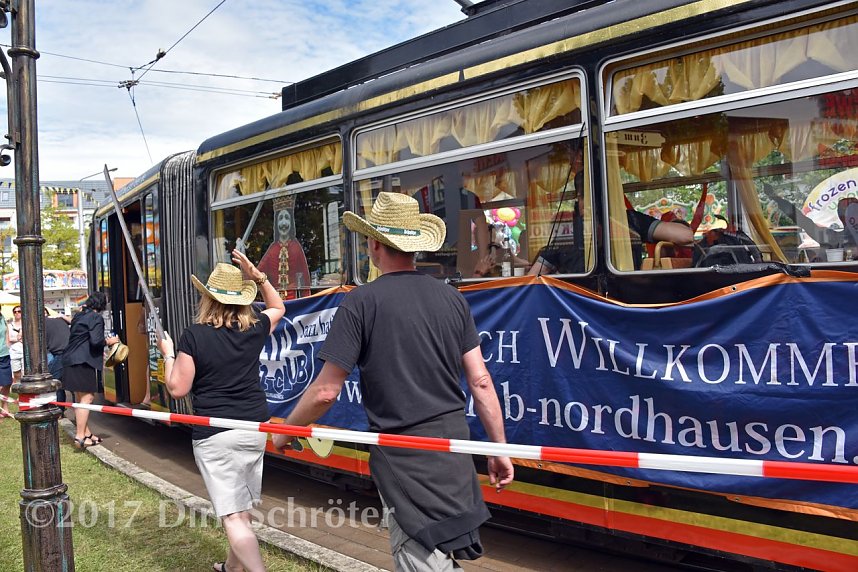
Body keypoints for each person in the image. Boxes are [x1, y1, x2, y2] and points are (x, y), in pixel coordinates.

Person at [271, 192, 514, 571]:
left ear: (373, 243)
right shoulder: (452, 299)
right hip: (453, 448)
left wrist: (287, 430)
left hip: (403, 454)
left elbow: (325, 391)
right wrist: (499, 449)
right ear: (415, 245)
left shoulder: (360, 302)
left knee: (419, 560)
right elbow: (481, 382)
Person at [157, 249, 284, 572]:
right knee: (240, 509)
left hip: (216, 434)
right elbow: (277, 307)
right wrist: (259, 276)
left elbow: (177, 388)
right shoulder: (254, 329)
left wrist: (168, 354)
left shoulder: (194, 336)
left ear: (207, 298)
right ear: (241, 299)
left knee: (232, 515)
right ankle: (231, 568)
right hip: (255, 428)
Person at [62, 292, 119, 449]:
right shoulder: (95, 318)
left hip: (70, 359)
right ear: (101, 305)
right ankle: (80, 437)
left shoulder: (79, 316)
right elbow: (95, 341)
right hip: (83, 361)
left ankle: (87, 433)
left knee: (81, 398)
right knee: (87, 399)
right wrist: (109, 341)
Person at [257, 196, 310, 296]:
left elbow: (305, 280)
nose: (284, 223)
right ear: (276, 223)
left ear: (291, 222)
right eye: (280, 218)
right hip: (275, 300)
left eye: (287, 218)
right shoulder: (272, 249)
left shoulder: (296, 247)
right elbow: (258, 273)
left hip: (293, 301)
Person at [45, 308, 72, 408]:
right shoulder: (58, 321)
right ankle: (60, 408)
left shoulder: (43, 325)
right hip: (69, 352)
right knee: (59, 383)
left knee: (54, 382)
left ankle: (58, 409)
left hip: (60, 354)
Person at [7, 305, 23, 383]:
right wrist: (19, 339)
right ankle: (18, 391)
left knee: (25, 373)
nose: (17, 313)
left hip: (24, 352)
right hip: (14, 351)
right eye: (15, 312)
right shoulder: (10, 325)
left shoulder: (26, 324)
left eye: (19, 311)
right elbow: (9, 338)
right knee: (16, 373)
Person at [0, 312, 12, 418]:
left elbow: (6, 333)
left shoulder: (2, 317)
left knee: (7, 382)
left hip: (4, 354)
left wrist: (8, 346)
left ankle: (4, 408)